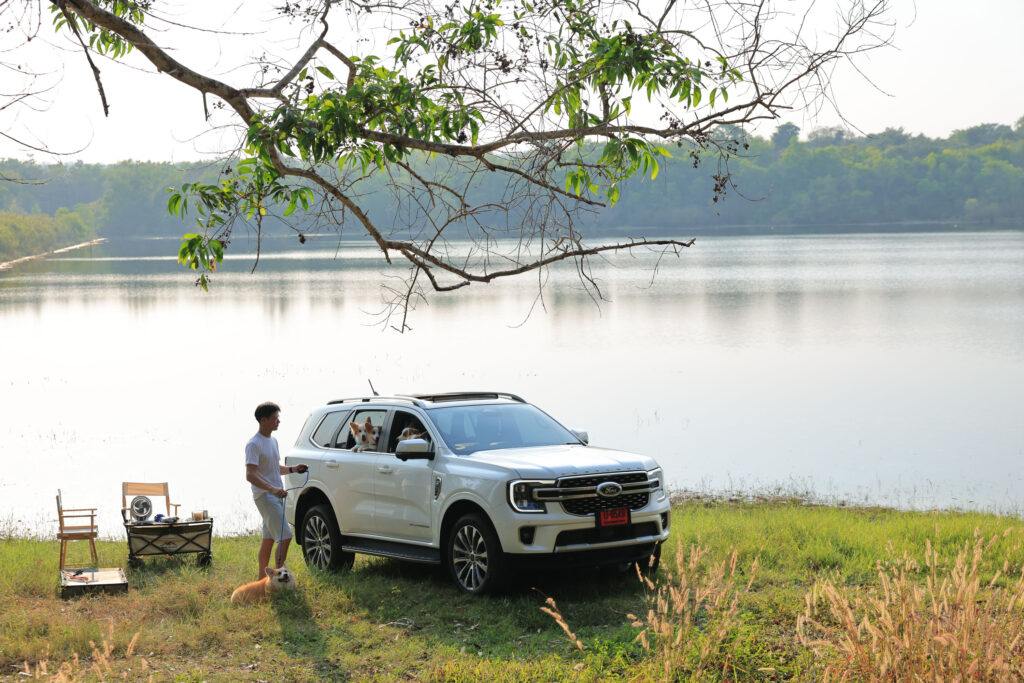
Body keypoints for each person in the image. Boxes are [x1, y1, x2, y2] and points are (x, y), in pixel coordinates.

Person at [245, 401, 307, 581]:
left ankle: (262, 581)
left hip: (275, 495)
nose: (278, 421)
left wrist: (293, 469)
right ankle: (279, 577)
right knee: (286, 536)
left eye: (278, 418)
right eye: (275, 418)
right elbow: (250, 474)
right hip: (265, 496)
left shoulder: (273, 441)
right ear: (263, 420)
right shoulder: (253, 444)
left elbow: (273, 468)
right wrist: (272, 489)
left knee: (269, 539)